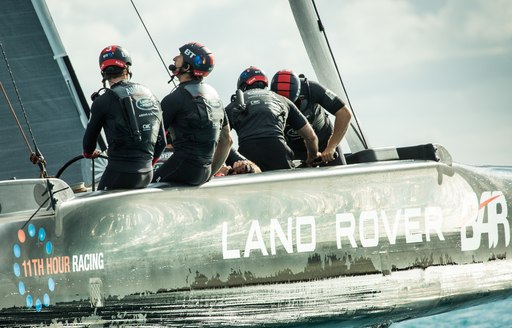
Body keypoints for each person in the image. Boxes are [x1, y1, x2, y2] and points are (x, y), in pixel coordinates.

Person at [83, 45, 166, 190]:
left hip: (119, 173)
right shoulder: (151, 95)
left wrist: (89, 154)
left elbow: (88, 146)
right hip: (147, 174)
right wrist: (147, 165)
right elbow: (162, 142)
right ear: (127, 68)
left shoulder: (101, 102)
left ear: (104, 73)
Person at [152, 42, 232, 185]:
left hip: (183, 169)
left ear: (187, 67)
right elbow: (227, 141)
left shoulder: (174, 99)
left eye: (180, 57)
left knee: (146, 186)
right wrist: (210, 172)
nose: (174, 59)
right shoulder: (215, 96)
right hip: (204, 173)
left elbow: (154, 141)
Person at [225, 66, 320, 171]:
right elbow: (311, 137)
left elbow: (219, 140)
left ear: (241, 87)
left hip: (247, 155)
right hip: (279, 152)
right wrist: (311, 158)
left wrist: (232, 161)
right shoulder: (282, 100)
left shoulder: (233, 105)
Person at [270, 69, 352, 166]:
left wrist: (331, 146)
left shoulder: (313, 89)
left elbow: (344, 113)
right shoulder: (268, 100)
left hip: (324, 145)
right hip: (293, 150)